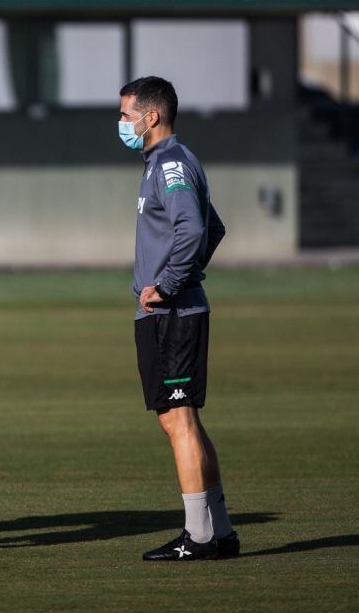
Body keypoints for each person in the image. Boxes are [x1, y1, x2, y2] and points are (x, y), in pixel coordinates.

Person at [118, 76, 237, 561]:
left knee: (179, 422)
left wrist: (168, 284)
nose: (121, 123)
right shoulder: (163, 164)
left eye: (126, 115)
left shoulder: (169, 165)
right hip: (166, 313)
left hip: (173, 313)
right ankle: (219, 530)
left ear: (151, 117)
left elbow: (194, 227)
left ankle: (200, 537)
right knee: (180, 420)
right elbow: (216, 226)